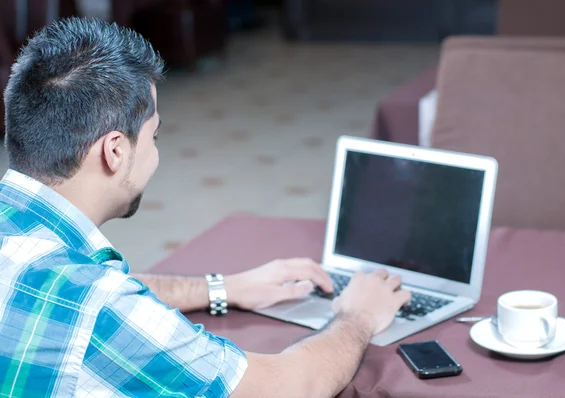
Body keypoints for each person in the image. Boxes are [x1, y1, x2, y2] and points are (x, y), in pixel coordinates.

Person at [0, 18, 411, 397]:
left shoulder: (33, 246)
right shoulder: (99, 304)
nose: (155, 154)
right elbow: (291, 386)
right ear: (115, 150)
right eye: (154, 136)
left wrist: (224, 288)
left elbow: (71, 287)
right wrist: (359, 315)